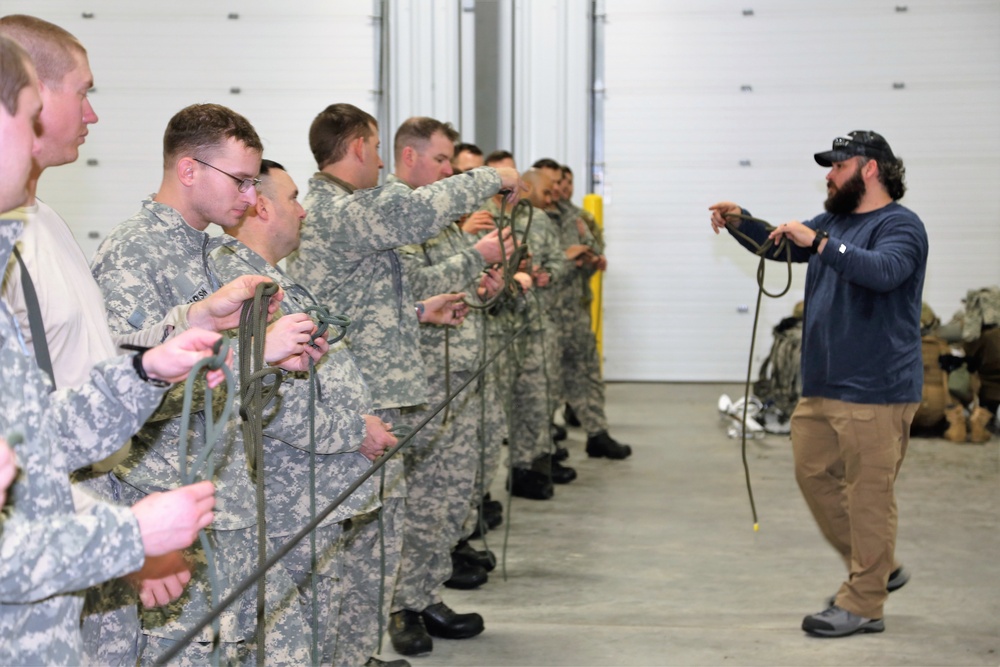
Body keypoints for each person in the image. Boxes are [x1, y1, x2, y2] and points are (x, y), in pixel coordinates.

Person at [0, 17, 286, 663]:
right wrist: (126, 535)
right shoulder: (82, 242)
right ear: (32, 105)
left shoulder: (38, 226)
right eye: (83, 90)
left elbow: (41, 421)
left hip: (69, 547)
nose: (94, 113)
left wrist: (154, 363)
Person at [285, 103, 522, 664]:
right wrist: (494, 177)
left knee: (381, 532)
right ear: (363, 147)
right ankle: (348, 650)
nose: (383, 162)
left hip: (381, 391)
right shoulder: (339, 208)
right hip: (357, 397)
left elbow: (406, 278)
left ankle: (366, 641)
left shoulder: (350, 209)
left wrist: (424, 305)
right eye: (378, 150)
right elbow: (417, 219)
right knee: (359, 539)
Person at [91, 103, 319, 665]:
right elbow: (123, 392)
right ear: (189, 170)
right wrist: (253, 353)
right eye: (240, 180)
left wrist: (275, 361)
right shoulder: (131, 253)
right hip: (164, 504)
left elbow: (231, 387)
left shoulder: (216, 253)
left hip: (222, 496)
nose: (251, 197)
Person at [708, 130, 928, 637]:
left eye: (838, 166)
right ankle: (879, 567)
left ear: (870, 169)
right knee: (814, 476)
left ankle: (865, 603)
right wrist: (742, 221)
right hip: (824, 384)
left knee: (870, 495)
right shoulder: (833, 221)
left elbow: (884, 271)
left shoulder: (902, 226)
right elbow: (782, 245)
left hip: (877, 390)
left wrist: (824, 243)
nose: (829, 175)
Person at [210, 158, 404, 667]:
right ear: (262, 206)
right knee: (285, 638)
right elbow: (264, 398)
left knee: (318, 624)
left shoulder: (276, 279)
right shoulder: (241, 287)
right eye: (295, 198)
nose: (303, 211)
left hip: (312, 487)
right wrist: (353, 430)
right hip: (283, 493)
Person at [391, 119, 514, 656]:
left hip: (458, 382)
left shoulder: (437, 221)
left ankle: (424, 593)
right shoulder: (394, 215)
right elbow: (409, 290)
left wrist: (483, 284)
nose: (447, 171)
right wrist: (477, 256)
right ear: (410, 156)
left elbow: (451, 290)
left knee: (447, 501)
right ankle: (400, 608)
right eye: (441, 161)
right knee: (416, 501)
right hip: (422, 387)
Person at [533, 158, 631, 460]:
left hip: (574, 310)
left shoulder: (574, 218)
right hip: (544, 314)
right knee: (545, 382)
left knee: (587, 374)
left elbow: (590, 251)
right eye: (552, 185)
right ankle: (541, 447)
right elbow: (533, 267)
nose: (558, 190)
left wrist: (590, 261)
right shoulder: (528, 219)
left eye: (562, 183)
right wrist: (567, 255)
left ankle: (597, 433)